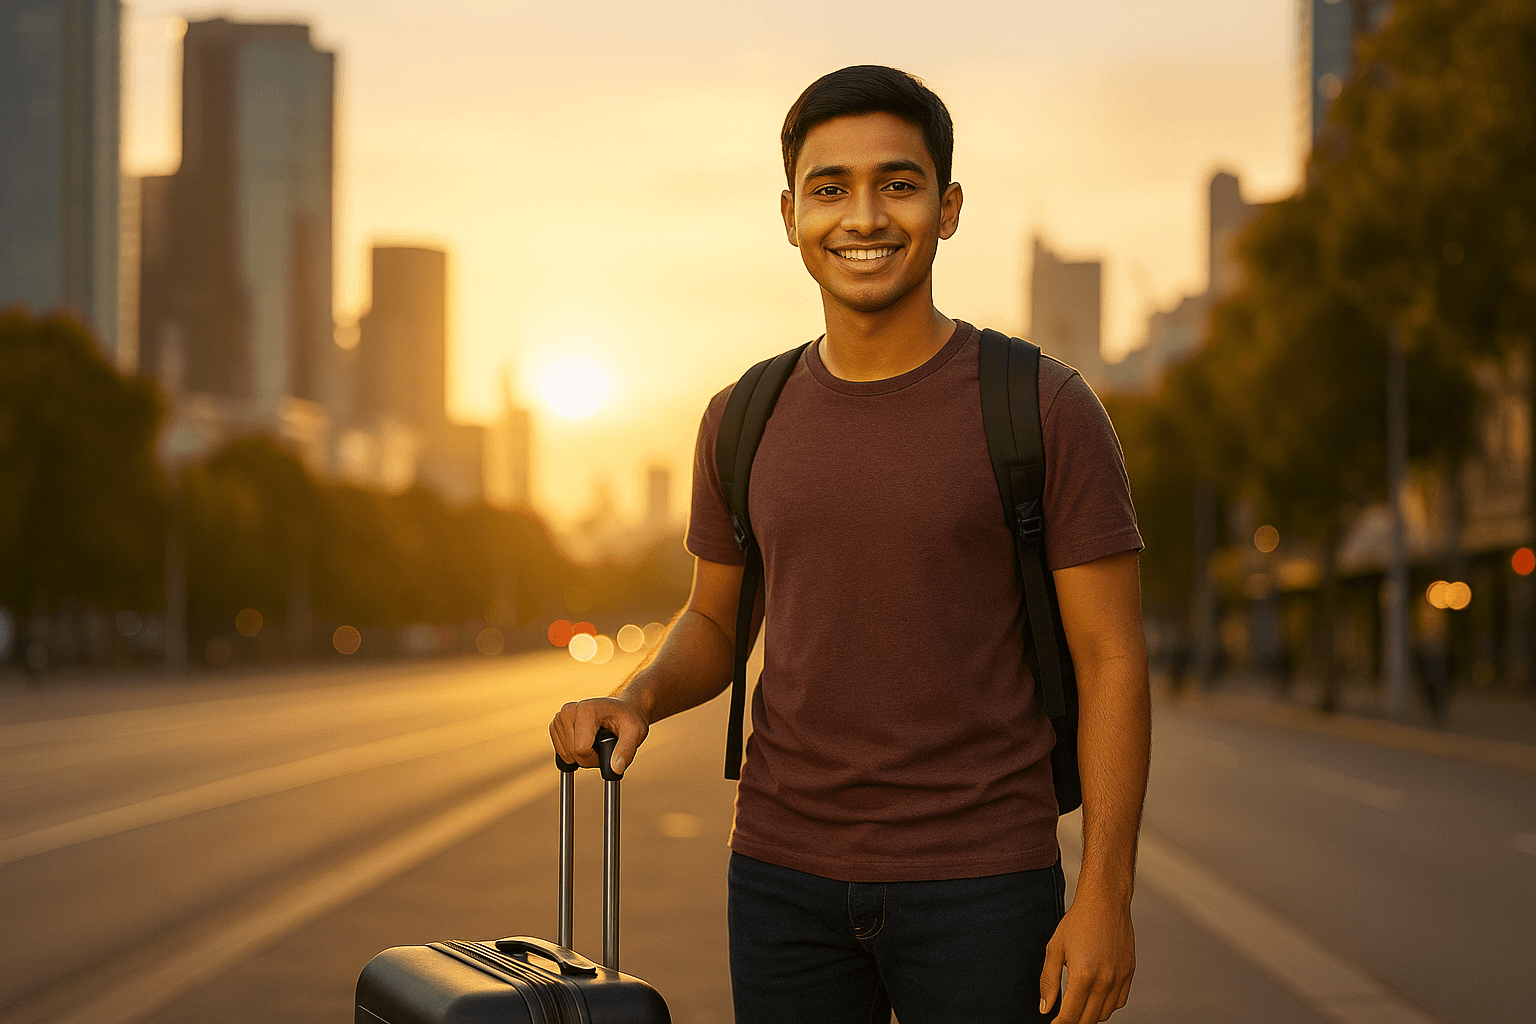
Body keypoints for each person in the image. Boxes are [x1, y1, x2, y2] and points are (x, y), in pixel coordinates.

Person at [549, 64, 1150, 1024]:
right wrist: (635, 697)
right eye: (829, 189)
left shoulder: (1043, 406)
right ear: (789, 215)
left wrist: (1106, 896)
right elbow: (714, 617)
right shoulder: (742, 416)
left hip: (984, 884)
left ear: (947, 208)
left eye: (897, 184)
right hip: (781, 881)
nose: (862, 217)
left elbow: (1112, 659)